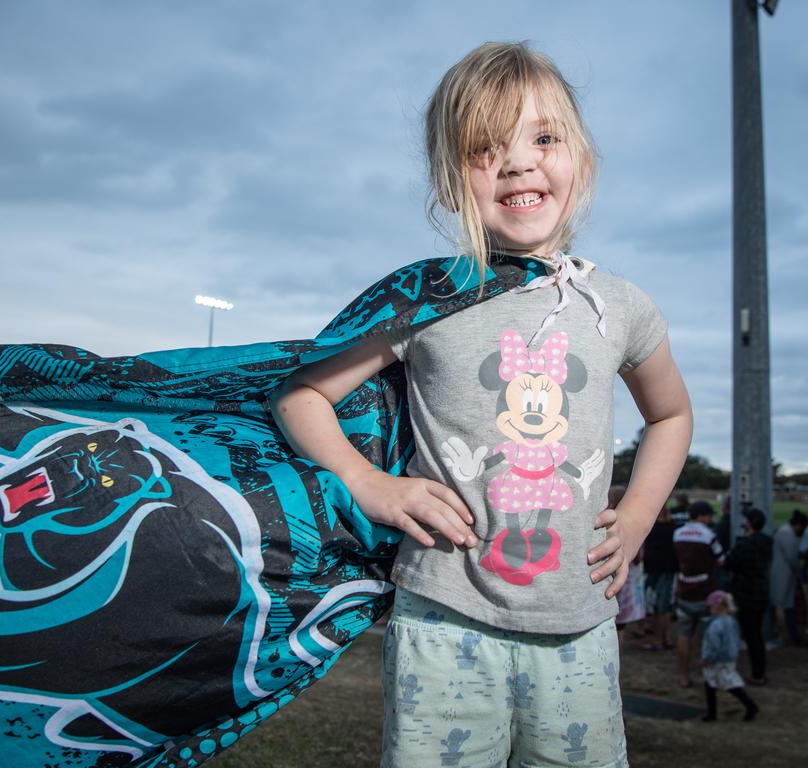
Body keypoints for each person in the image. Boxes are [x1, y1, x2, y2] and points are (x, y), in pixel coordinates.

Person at [271, 42, 693, 767]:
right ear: (449, 181)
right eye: (485, 148)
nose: (519, 162)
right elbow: (302, 393)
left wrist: (640, 515)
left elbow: (670, 415)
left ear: (581, 162)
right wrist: (370, 484)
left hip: (580, 625)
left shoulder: (621, 306)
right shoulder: (425, 300)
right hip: (444, 618)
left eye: (544, 138)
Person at [674, 500, 725, 687]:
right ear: (703, 516)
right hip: (705, 592)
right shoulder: (708, 535)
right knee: (707, 636)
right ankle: (708, 677)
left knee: (684, 634)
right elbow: (721, 560)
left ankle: (683, 676)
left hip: (684, 589)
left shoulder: (677, 533)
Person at [725, 507, 771, 684]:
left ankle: (757, 675)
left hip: (746, 594)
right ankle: (759, 671)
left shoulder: (744, 544)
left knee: (751, 635)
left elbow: (730, 564)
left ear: (750, 523)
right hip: (761, 592)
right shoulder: (767, 541)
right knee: (756, 634)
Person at [700, 590, 758, 722]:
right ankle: (712, 713)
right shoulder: (732, 622)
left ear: (718, 606)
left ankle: (749, 706)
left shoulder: (715, 625)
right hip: (729, 658)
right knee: (718, 683)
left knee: (720, 683)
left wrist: (707, 658)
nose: (709, 609)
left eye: (711, 606)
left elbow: (714, 645)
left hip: (716, 660)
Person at [612, 485, 646, 647]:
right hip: (626, 582)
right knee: (619, 627)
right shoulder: (634, 525)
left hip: (608, 582)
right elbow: (639, 556)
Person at [641, 502, 679, 651]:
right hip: (669, 570)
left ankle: (657, 641)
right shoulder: (673, 527)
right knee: (664, 608)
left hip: (653, 570)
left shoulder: (649, 527)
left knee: (656, 607)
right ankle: (665, 638)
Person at [770, 508, 807, 646]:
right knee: (788, 607)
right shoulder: (787, 533)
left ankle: (792, 635)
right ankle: (794, 637)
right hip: (783, 575)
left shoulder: (785, 531)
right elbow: (792, 558)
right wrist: (799, 571)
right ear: (798, 525)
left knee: (786, 607)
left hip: (782, 575)